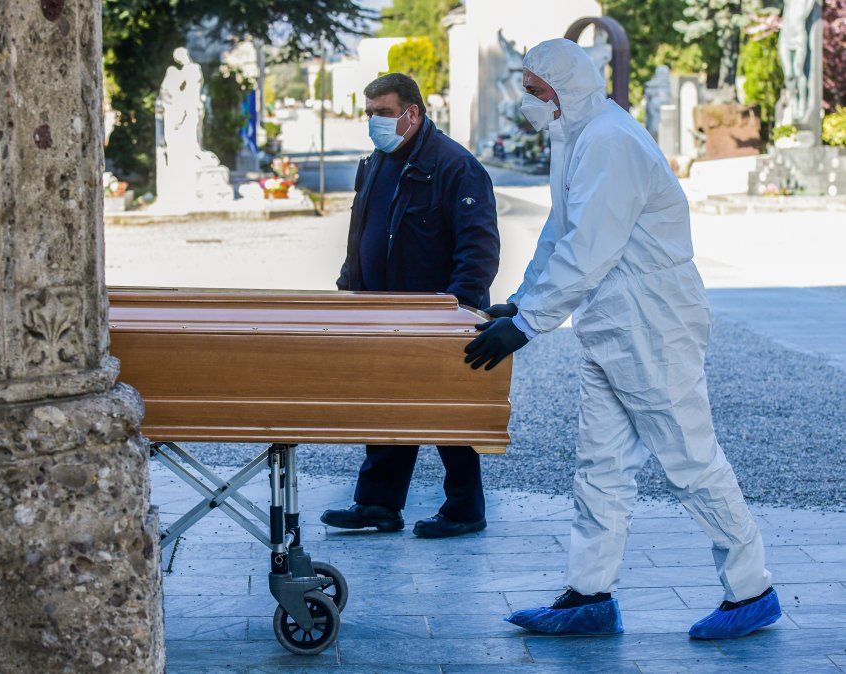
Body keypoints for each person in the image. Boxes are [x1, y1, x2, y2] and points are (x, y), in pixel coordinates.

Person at [464, 39, 780, 640]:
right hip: (611, 324)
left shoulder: (610, 141)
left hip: (652, 324)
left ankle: (751, 588)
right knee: (600, 465)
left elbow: (590, 249)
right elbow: (561, 231)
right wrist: (523, 299)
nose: (528, 103)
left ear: (566, 91)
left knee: (689, 458)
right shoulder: (577, 137)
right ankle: (589, 594)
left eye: (536, 93)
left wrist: (529, 325)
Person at [320, 73, 500, 539]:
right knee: (385, 407)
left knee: (446, 412)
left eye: (382, 112)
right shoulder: (378, 161)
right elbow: (362, 231)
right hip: (378, 309)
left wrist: (456, 310)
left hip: (435, 315)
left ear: (412, 113)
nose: (374, 122)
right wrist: (348, 289)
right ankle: (378, 505)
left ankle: (464, 508)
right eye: (370, 113)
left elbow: (478, 248)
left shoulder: (456, 166)